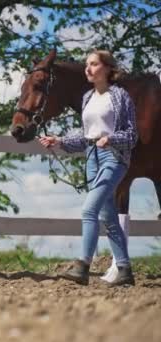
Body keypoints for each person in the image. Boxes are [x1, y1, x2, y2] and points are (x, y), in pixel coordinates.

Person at [38, 50, 138, 286]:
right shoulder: (87, 98)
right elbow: (85, 137)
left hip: (114, 158)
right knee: (107, 215)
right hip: (92, 158)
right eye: (87, 65)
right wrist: (60, 140)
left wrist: (111, 139)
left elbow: (132, 135)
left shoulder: (121, 96)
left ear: (107, 69)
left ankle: (82, 265)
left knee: (89, 210)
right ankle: (124, 269)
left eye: (94, 64)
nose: (88, 69)